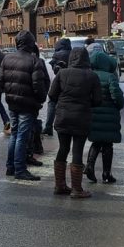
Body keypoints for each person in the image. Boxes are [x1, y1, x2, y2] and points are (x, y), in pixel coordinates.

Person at [48, 48, 101, 198]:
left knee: (63, 149)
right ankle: (77, 189)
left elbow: (52, 95)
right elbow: (97, 100)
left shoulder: (62, 73)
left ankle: (60, 185)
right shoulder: (92, 76)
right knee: (77, 151)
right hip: (81, 117)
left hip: (63, 116)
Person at [0, 31, 49, 181]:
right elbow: (39, 85)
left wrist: (10, 92)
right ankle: (20, 169)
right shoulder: (34, 61)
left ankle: (10, 167)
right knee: (22, 136)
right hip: (28, 104)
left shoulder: (7, 58)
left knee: (15, 134)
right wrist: (40, 100)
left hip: (12, 102)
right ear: (31, 43)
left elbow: (0, 82)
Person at [85, 49, 124, 185]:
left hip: (93, 113)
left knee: (96, 141)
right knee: (108, 144)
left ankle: (89, 166)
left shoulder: (89, 75)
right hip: (109, 114)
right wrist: (120, 105)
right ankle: (106, 173)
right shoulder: (110, 76)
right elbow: (116, 95)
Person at [43, 38, 72, 136]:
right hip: (70, 82)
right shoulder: (72, 54)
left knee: (52, 103)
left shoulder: (57, 54)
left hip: (58, 81)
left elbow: (52, 64)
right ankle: (67, 127)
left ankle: (48, 127)